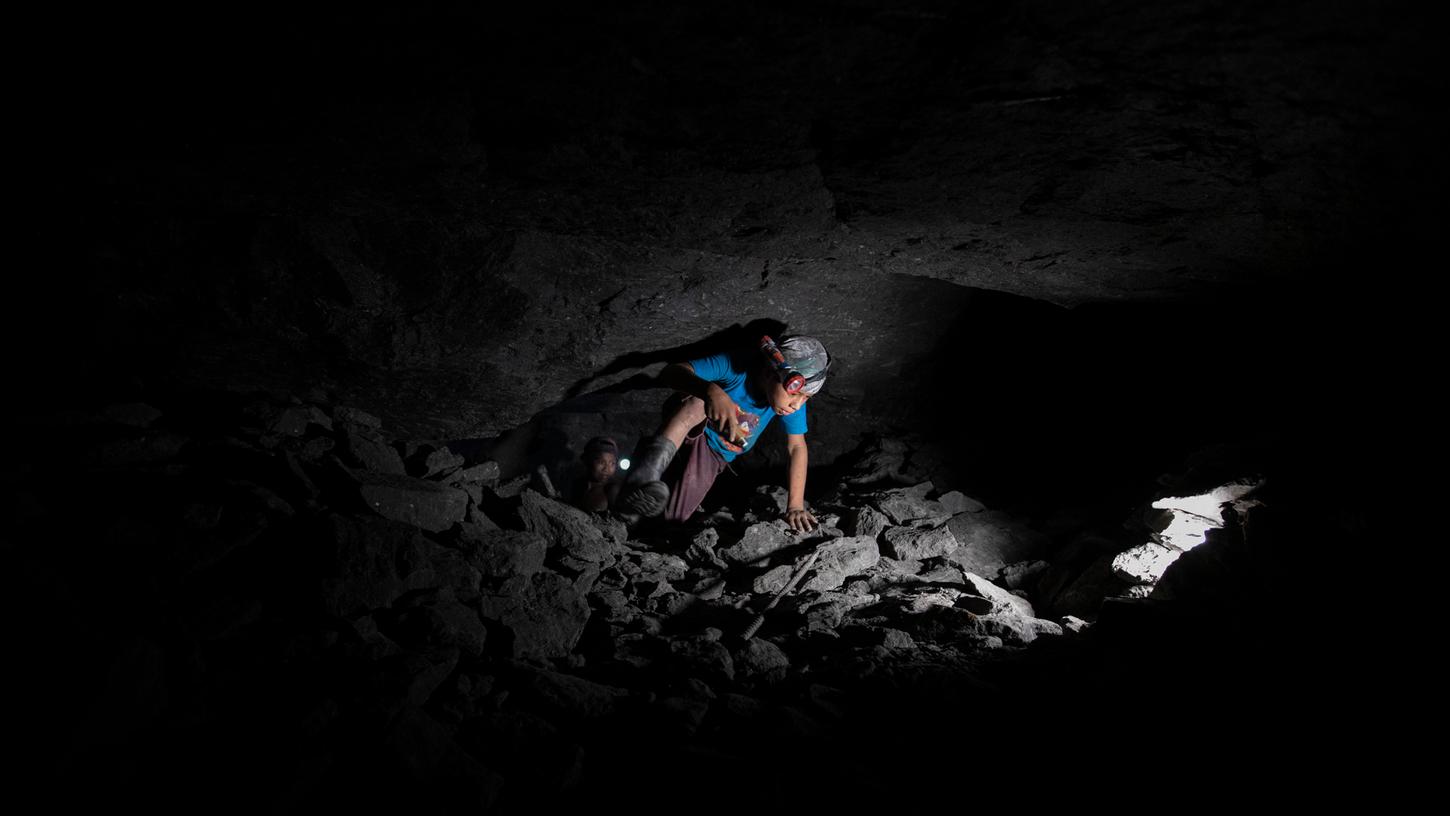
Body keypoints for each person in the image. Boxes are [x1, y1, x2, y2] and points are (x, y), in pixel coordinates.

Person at [616, 333, 830, 532]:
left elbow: (796, 447)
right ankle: (645, 477)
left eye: (806, 398)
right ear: (769, 371)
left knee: (673, 518)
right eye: (797, 394)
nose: (798, 404)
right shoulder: (736, 365)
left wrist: (795, 506)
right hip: (693, 430)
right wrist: (710, 391)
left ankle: (644, 525)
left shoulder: (792, 403)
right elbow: (671, 372)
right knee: (697, 401)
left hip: (714, 456)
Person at [570, 436, 622, 512]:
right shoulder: (577, 484)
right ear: (587, 460)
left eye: (612, 463)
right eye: (601, 462)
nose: (606, 469)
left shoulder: (612, 490)